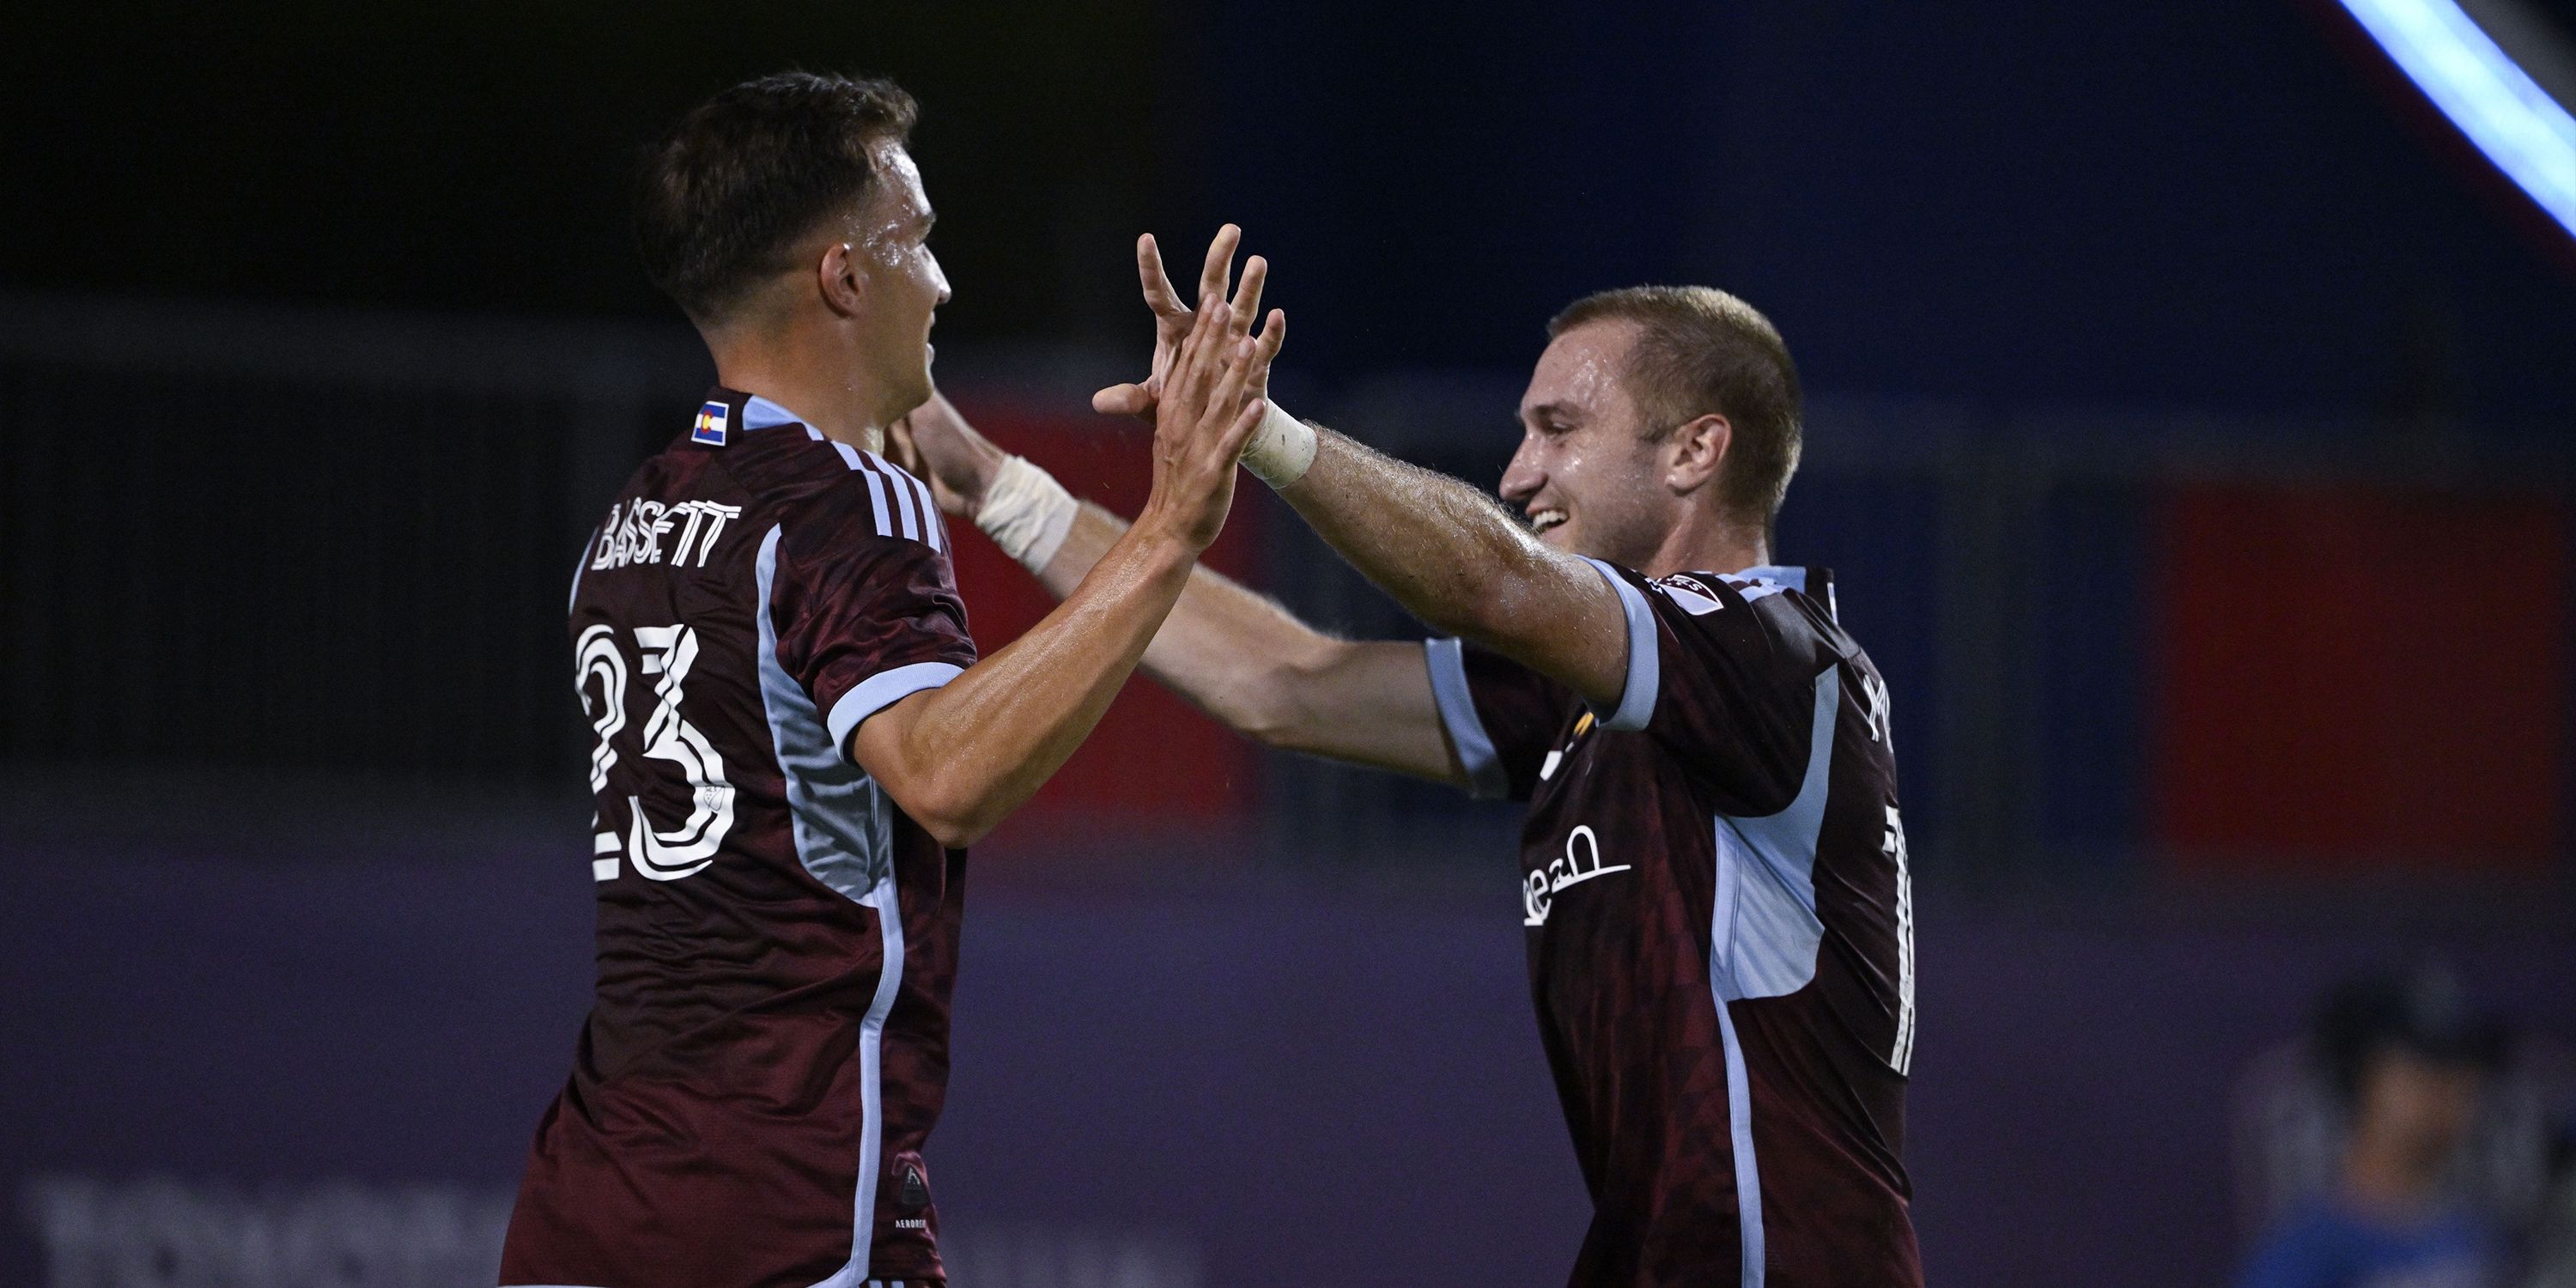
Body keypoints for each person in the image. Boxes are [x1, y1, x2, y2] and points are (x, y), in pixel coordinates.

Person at [895, 233, 1921, 1285]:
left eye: (1559, 429)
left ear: (1695, 452)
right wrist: (997, 487)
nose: (1521, 472)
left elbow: (1494, 583)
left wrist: (1261, 428)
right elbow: (1285, 682)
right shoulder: (1589, 696)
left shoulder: (1773, 656)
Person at [498, 74, 1283, 1288]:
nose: (943, 282)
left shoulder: (638, 514)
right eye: (916, 241)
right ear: (845, 279)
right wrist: (1170, 526)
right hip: (783, 1203)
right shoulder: (846, 499)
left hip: (589, 1199)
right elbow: (943, 774)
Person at [2239, 968, 2506, 1288]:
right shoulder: (2305, 1255)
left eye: (2467, 1068)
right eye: (2429, 1067)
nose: (2458, 1087)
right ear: (2364, 1080)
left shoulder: (2478, 1236)